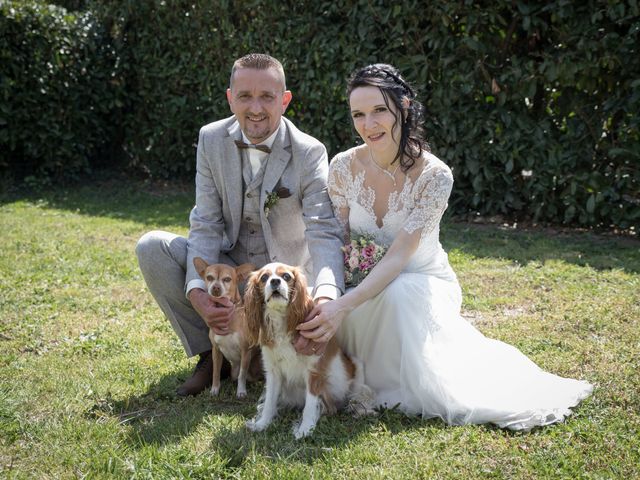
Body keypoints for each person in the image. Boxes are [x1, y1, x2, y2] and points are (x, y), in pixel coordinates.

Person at [297, 63, 593, 430]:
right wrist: (331, 295)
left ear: (403, 107)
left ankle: (384, 384)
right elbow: (336, 240)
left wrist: (343, 306)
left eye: (378, 111)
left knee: (395, 294)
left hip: (417, 280)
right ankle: (337, 376)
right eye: (358, 114)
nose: (368, 124)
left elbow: (402, 254)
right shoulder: (343, 166)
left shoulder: (435, 175)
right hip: (357, 282)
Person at [136, 53, 344, 397]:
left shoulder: (309, 151)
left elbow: (323, 230)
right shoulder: (211, 138)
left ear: (285, 100)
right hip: (231, 269)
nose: (256, 108)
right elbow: (205, 221)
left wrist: (325, 298)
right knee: (152, 247)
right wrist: (198, 292)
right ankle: (211, 351)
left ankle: (265, 356)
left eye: (267, 96)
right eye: (245, 96)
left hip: (280, 277)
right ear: (230, 98)